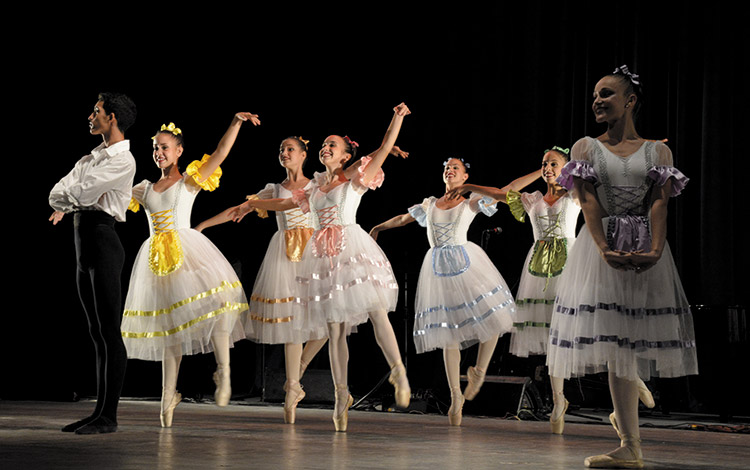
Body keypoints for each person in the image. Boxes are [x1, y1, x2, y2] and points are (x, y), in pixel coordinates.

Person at [546, 65, 697, 468]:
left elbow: (660, 203)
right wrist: (602, 248)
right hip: (602, 247)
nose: (597, 100)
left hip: (645, 246)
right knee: (614, 342)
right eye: (595, 94)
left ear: (630, 101)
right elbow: (590, 202)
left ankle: (630, 438)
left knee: (629, 339)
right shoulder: (584, 148)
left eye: (607, 94)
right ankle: (631, 444)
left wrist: (657, 248)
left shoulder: (657, 151)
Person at [230, 103, 412, 432]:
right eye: (324, 144)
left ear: (345, 157)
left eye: (333, 145)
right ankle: (341, 395)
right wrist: (252, 203)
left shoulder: (354, 179)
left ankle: (398, 370)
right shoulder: (313, 188)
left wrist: (396, 118)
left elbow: (383, 147)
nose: (325, 148)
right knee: (335, 328)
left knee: (375, 310)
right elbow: (285, 203)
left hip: (351, 248)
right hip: (321, 260)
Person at [120, 113, 257, 427]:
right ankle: (168, 396)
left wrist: (234, 122)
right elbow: (112, 193)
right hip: (155, 261)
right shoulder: (143, 188)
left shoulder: (189, 181)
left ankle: (223, 368)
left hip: (188, 252)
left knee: (223, 302)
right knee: (170, 332)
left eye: (165, 147)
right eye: (155, 148)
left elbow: (221, 153)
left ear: (179, 151)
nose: (159, 153)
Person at [369, 157, 517, 426]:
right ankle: (455, 396)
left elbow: (505, 194)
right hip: (437, 271)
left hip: (468, 265)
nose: (449, 171)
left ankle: (479, 371)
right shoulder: (430, 204)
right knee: (448, 335)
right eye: (446, 168)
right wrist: (379, 227)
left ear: (464, 176)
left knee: (494, 317)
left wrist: (473, 188)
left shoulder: (471, 201)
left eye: (455, 168)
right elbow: (404, 218)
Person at [196, 136, 329, 424]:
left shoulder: (317, 186)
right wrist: (203, 225)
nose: (284, 153)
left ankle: (299, 371)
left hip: (314, 254)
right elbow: (238, 209)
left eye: (290, 149)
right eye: (281, 149)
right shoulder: (273, 190)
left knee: (330, 321)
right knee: (292, 324)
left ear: (304, 154)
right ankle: (293, 388)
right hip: (283, 256)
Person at [49, 92, 137, 434]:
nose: (91, 115)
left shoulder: (123, 160)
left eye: (96, 111)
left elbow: (79, 194)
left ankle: (109, 416)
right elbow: (58, 192)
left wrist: (72, 197)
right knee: (95, 331)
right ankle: (98, 411)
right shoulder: (91, 157)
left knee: (109, 331)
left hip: (103, 240)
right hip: (82, 242)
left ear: (111, 117)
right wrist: (70, 197)